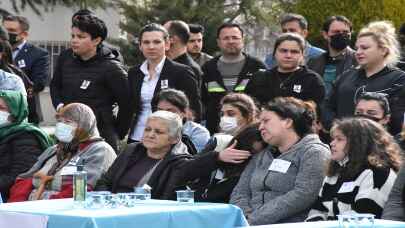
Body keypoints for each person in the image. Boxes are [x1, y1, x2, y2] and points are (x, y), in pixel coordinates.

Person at [230, 97, 330, 225]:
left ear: (287, 122)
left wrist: (254, 220)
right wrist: (244, 217)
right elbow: (240, 191)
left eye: (266, 121)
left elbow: (304, 194)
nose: (260, 127)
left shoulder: (314, 152)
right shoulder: (263, 154)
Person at [50, 15, 131, 151]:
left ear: (97, 40)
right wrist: (60, 106)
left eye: (81, 37)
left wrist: (118, 133)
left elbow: (127, 104)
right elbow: (55, 86)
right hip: (67, 131)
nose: (74, 41)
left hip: (100, 135)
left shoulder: (112, 68)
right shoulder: (66, 58)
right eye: (73, 36)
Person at [8, 103, 116, 202]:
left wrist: (42, 200)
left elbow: (79, 193)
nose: (61, 125)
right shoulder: (55, 150)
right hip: (31, 209)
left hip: (64, 211)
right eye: (60, 121)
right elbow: (25, 179)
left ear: (84, 125)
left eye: (68, 122)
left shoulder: (99, 150)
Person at [307, 118, 401, 221]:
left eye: (339, 139)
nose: (332, 143)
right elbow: (317, 210)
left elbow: (363, 219)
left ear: (358, 143)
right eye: (333, 139)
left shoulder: (378, 172)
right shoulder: (336, 170)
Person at [178, 93, 266, 203]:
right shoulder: (219, 140)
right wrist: (217, 157)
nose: (225, 118)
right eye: (222, 114)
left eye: (231, 114)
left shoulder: (258, 140)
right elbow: (187, 170)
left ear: (248, 116)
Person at [326, 21, 405, 135]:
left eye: (364, 48)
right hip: (341, 143)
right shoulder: (346, 75)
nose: (358, 52)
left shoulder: (399, 79)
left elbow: (396, 119)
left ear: (383, 50)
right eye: (357, 48)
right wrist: (337, 128)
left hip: (377, 146)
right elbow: (327, 105)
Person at [127, 23, 201, 143]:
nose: (151, 47)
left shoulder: (182, 72)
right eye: (146, 42)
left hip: (167, 139)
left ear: (167, 44)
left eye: (156, 42)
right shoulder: (134, 73)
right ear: (140, 46)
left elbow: (194, 110)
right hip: (137, 137)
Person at [95, 111, 192, 200]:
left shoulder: (179, 163)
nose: (150, 135)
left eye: (158, 132)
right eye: (147, 129)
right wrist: (107, 199)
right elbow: (105, 182)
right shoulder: (132, 150)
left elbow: (166, 199)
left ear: (174, 139)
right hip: (112, 207)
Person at [202, 22, 265, 134]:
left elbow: (263, 100)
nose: (231, 41)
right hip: (214, 131)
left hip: (249, 132)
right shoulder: (208, 68)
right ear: (218, 42)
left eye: (235, 38)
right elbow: (203, 100)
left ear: (242, 40)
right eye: (226, 38)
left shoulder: (257, 67)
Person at [245, 33, 325, 106]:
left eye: (294, 52)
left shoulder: (312, 80)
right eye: (283, 51)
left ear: (302, 55)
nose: (288, 55)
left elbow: (315, 113)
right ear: (274, 53)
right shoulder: (259, 78)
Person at [0, 90, 53, 201]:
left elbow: (21, 175)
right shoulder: (3, 132)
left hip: (10, 196)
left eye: (1, 108)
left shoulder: (26, 136)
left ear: (14, 111)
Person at [3, 15, 50, 124]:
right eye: (4, 30)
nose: (6, 34)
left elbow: (39, 83)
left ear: (24, 34)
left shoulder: (39, 54)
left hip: (26, 113)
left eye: (11, 30)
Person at [307, 15, 357, 97]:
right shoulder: (314, 62)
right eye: (336, 32)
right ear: (325, 34)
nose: (341, 35)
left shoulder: (358, 61)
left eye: (345, 32)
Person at [156, 89, 210, 153]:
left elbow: (194, 160)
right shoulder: (150, 129)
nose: (164, 114)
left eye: (170, 111)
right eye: (160, 110)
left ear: (184, 112)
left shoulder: (197, 132)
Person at [164, 20, 203, 91]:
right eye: (192, 41)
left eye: (163, 36)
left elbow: (192, 101)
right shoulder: (162, 65)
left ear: (172, 39)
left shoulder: (189, 70)